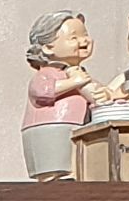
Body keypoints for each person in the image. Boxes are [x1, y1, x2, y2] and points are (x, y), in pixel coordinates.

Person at [21, 11, 95, 179]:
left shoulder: (78, 73)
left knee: (75, 165)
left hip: (77, 127)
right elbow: (41, 91)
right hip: (49, 126)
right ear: (48, 47)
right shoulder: (46, 73)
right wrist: (74, 82)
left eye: (85, 35)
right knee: (53, 163)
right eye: (74, 37)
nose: (84, 41)